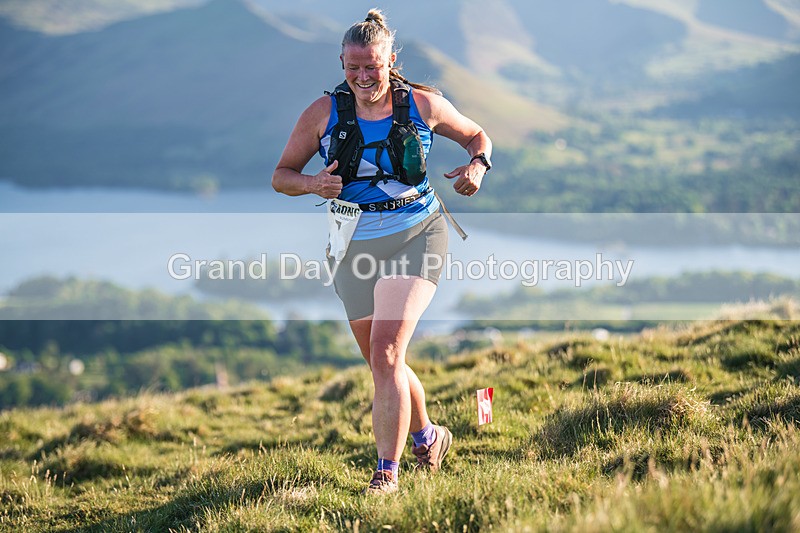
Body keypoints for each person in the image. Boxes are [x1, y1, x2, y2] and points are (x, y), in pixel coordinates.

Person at [272, 9, 492, 494]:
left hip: (417, 232)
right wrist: (313, 183)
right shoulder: (323, 113)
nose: (363, 77)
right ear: (342, 64)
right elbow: (281, 176)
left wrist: (477, 165)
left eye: (372, 66)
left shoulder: (423, 104)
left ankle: (386, 475)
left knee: (388, 350)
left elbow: (478, 136)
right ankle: (429, 435)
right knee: (382, 362)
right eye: (353, 67)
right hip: (351, 243)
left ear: (391, 61)